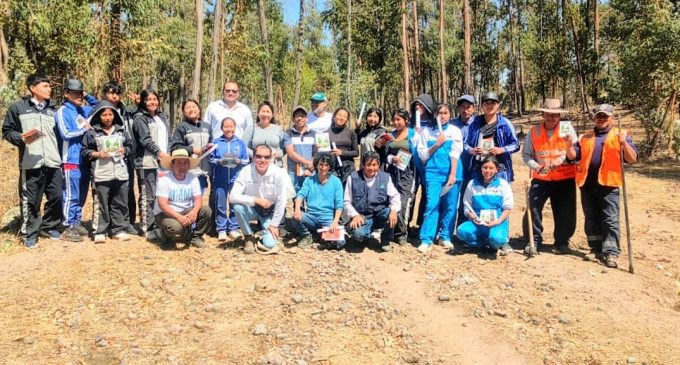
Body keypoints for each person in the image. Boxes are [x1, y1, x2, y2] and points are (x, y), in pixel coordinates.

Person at [567, 103, 638, 268]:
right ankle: (595, 249)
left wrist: (624, 144)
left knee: (610, 219)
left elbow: (632, 159)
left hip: (609, 183)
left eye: (605, 116)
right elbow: (572, 157)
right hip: (587, 184)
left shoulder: (621, 134)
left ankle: (611, 252)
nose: (601, 119)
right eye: (599, 116)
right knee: (591, 219)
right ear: (594, 118)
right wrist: (568, 144)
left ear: (612, 118)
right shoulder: (585, 136)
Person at [2, 74, 63, 248]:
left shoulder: (54, 109)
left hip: (52, 161)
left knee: (57, 196)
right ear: (32, 88)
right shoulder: (19, 108)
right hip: (30, 163)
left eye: (49, 86)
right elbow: (7, 130)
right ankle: (30, 232)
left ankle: (49, 226)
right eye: (45, 86)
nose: (49, 89)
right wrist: (19, 138)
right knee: (31, 200)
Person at [521, 99, 577, 256]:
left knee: (565, 212)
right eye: (548, 114)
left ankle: (562, 242)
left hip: (564, 178)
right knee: (533, 209)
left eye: (554, 115)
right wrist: (536, 166)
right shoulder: (534, 131)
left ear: (559, 115)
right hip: (541, 178)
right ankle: (534, 240)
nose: (551, 118)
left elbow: (575, 152)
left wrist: (563, 158)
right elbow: (526, 155)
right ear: (543, 114)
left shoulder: (568, 129)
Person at [81, 101, 134, 243]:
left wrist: (125, 150)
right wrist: (98, 154)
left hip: (120, 173)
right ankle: (99, 231)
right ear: (98, 116)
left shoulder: (121, 131)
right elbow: (84, 151)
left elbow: (130, 147)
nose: (108, 117)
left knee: (120, 202)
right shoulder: (92, 133)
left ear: (115, 115)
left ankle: (119, 229)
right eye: (104, 115)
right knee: (101, 204)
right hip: (101, 174)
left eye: (110, 114)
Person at [416, 103, 464, 253]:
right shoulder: (427, 132)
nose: (442, 116)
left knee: (450, 205)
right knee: (432, 204)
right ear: (434, 115)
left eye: (445, 113)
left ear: (450, 115)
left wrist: (452, 174)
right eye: (439, 113)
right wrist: (437, 144)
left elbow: (456, 152)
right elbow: (422, 155)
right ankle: (426, 238)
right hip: (433, 173)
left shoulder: (455, 131)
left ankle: (445, 236)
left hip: (453, 173)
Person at [55, 78, 98, 242]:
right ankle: (67, 226)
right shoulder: (63, 111)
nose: (79, 96)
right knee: (71, 194)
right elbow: (65, 134)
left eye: (81, 92)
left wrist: (87, 96)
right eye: (75, 93)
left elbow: (98, 107)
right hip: (71, 159)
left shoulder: (82, 110)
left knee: (81, 195)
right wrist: (83, 129)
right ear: (66, 93)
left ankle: (76, 222)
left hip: (85, 159)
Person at [230, 144, 290, 254]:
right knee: (238, 207)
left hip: (270, 212)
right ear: (253, 157)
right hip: (252, 209)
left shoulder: (278, 173)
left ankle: (262, 231)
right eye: (259, 156)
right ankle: (248, 237)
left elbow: (282, 201)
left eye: (266, 157)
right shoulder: (246, 171)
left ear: (271, 158)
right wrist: (256, 200)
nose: (262, 160)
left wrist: (274, 225)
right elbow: (232, 196)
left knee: (269, 243)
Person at [132, 89, 171, 238]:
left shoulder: (162, 117)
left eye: (154, 99)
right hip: (147, 162)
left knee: (160, 194)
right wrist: (160, 153)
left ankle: (158, 225)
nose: (152, 102)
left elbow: (169, 137)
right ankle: (147, 227)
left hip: (163, 162)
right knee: (148, 195)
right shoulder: (140, 118)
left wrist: (168, 155)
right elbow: (145, 140)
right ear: (142, 101)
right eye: (148, 99)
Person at [154, 149, 212, 248]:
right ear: (172, 165)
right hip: (166, 214)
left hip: (186, 210)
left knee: (206, 211)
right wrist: (179, 217)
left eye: (185, 163)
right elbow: (163, 204)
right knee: (176, 228)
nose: (182, 166)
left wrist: (194, 212)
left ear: (189, 165)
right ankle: (166, 236)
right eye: (179, 163)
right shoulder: (165, 180)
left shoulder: (193, 178)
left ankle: (195, 237)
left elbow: (198, 199)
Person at [101, 81, 139, 234]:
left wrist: (139, 103)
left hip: (125, 155)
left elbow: (141, 113)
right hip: (104, 158)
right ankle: (107, 223)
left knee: (127, 190)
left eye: (117, 93)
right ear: (105, 94)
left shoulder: (126, 111)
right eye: (111, 92)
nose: (114, 96)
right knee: (106, 190)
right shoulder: (99, 111)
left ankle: (127, 222)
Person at [457, 156, 514, 258]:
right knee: (462, 231)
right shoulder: (472, 184)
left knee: (498, 239)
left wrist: (497, 222)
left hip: (497, 223)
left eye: (491, 168)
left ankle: (495, 245)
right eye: (485, 167)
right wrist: (471, 216)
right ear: (481, 169)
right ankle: (481, 245)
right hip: (478, 223)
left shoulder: (503, 185)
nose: (488, 171)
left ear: (496, 170)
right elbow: (467, 205)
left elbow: (508, 208)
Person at [344, 151, 401, 252]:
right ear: (363, 165)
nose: (371, 168)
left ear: (378, 165)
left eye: (374, 165)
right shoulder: (352, 178)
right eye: (368, 165)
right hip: (363, 217)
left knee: (392, 213)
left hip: (380, 215)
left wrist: (393, 211)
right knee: (357, 235)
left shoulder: (385, 178)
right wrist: (354, 215)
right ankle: (365, 237)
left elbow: (395, 196)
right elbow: (347, 202)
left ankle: (386, 240)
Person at [464, 92, 520, 182]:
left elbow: (516, 144)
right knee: (477, 195)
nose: (489, 106)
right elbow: (465, 144)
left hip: (500, 168)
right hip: (478, 167)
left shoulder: (505, 123)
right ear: (482, 106)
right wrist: (472, 150)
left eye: (492, 103)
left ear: (498, 105)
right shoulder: (474, 122)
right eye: (486, 103)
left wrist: (501, 150)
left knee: (499, 195)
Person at [210, 117, 249, 242]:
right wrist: (219, 161)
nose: (229, 129)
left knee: (234, 203)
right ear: (221, 128)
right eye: (226, 126)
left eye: (231, 126)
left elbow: (246, 159)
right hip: (220, 179)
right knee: (220, 204)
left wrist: (239, 161)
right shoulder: (216, 142)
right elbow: (210, 159)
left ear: (235, 127)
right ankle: (221, 229)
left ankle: (233, 228)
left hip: (235, 179)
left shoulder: (240, 142)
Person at [293, 153, 344, 248]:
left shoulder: (336, 181)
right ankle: (308, 235)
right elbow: (300, 195)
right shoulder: (309, 180)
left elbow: (339, 204)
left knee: (340, 242)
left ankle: (322, 235)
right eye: (321, 164)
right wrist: (297, 211)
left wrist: (335, 222)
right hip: (311, 216)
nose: (323, 168)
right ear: (316, 165)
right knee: (296, 218)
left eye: (326, 165)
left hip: (328, 219)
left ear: (329, 166)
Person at [384, 109, 417, 246]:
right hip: (392, 171)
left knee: (404, 202)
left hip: (408, 173)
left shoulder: (413, 134)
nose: (396, 122)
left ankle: (402, 234)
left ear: (406, 121)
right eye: (394, 120)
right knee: (391, 200)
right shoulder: (389, 135)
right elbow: (383, 155)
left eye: (399, 119)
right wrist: (391, 158)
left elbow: (419, 152)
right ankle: (391, 231)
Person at [170, 98, 213, 192]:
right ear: (184, 112)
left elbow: (211, 142)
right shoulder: (182, 127)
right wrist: (192, 149)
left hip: (204, 172)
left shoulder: (207, 126)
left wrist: (209, 147)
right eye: (187, 108)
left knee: (199, 199)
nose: (191, 109)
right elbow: (175, 147)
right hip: (189, 172)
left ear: (199, 109)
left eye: (194, 107)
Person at [408, 93, 436, 228]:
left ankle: (422, 224)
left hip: (429, 164)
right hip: (413, 164)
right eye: (416, 105)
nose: (418, 107)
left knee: (427, 195)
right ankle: (406, 223)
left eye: (421, 104)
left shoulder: (434, 125)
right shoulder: (411, 124)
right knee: (411, 193)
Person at [452, 94, 476, 226]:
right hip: (454, 167)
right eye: (462, 107)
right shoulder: (452, 124)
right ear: (458, 109)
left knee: (468, 197)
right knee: (453, 198)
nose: (465, 110)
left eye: (468, 107)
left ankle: (465, 226)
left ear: (473, 109)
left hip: (473, 166)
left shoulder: (478, 123)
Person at [282, 106, 316, 192]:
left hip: (310, 170)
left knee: (310, 194)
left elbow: (316, 152)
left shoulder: (313, 133)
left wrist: (310, 166)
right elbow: (290, 153)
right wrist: (307, 162)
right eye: (297, 116)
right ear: (293, 119)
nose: (300, 118)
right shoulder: (288, 133)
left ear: (307, 118)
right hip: (294, 171)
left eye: (302, 116)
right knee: (296, 195)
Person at [242, 101, 285, 168]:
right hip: (256, 165)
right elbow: (243, 146)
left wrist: (276, 154)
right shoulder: (252, 128)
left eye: (268, 112)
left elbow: (285, 148)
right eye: (263, 111)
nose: (265, 114)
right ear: (258, 113)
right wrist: (255, 154)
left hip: (275, 165)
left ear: (272, 114)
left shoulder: (278, 129)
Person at [328, 107, 359, 186]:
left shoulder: (351, 132)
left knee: (348, 192)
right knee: (334, 191)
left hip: (348, 167)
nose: (341, 118)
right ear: (334, 117)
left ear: (347, 120)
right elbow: (323, 151)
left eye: (345, 117)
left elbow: (356, 153)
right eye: (339, 115)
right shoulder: (327, 132)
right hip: (332, 167)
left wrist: (342, 152)